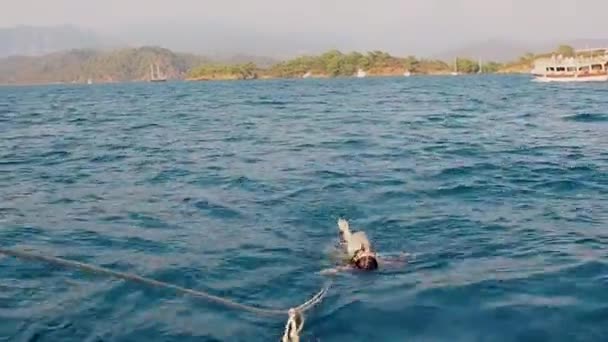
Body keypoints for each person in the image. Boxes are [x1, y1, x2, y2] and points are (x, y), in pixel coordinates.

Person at [320, 218, 407, 275]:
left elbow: (340, 268)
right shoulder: (381, 261)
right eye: (370, 254)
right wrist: (403, 257)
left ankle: (345, 229)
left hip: (350, 250)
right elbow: (396, 263)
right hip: (358, 255)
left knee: (347, 241)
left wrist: (331, 271)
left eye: (364, 253)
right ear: (375, 257)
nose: (367, 250)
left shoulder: (353, 250)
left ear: (358, 257)